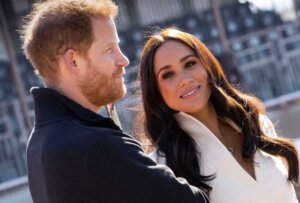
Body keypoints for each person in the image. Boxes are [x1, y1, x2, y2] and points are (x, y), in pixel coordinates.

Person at [21, 1, 209, 202]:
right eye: (110, 49)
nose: (123, 60)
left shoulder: (39, 144)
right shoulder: (96, 146)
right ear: (73, 61)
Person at [138, 27, 299, 203]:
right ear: (155, 91)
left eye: (190, 64)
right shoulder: (162, 165)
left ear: (207, 66)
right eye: (168, 75)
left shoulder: (256, 124)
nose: (185, 79)